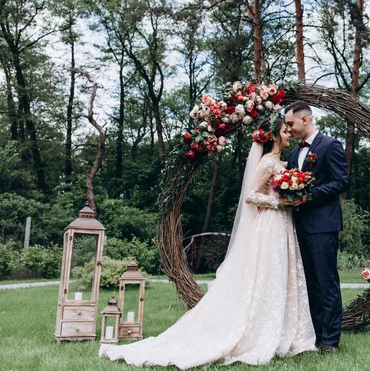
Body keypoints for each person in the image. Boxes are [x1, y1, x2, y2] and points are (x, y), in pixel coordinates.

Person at [99, 115, 316, 369]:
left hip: (283, 225)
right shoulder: (268, 163)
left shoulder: (283, 162)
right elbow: (250, 196)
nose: (290, 133)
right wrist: (279, 202)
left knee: (279, 276)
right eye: (285, 130)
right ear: (275, 134)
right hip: (269, 225)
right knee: (265, 275)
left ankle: (282, 329)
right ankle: (258, 331)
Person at [284, 101, 349, 354]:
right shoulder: (293, 154)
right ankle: (317, 335)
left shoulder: (330, 145)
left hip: (323, 225)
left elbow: (341, 182)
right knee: (310, 283)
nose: (288, 129)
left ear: (304, 119)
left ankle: (331, 341)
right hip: (299, 225)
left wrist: (309, 196)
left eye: (290, 123)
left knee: (326, 282)